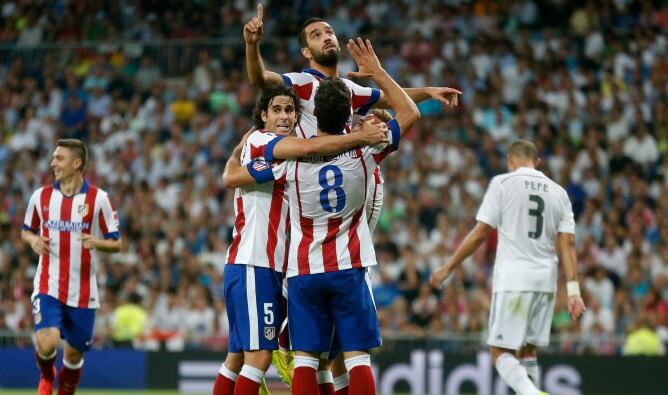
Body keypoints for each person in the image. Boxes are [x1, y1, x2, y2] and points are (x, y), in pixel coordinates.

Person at [244, 7, 460, 392]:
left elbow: (386, 96)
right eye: (316, 35)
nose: (327, 37)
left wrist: (427, 91)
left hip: (313, 195)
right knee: (350, 346)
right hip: (345, 183)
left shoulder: (344, 91)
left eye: (329, 32)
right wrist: (252, 45)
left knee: (319, 353)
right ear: (306, 52)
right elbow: (262, 78)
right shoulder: (303, 84)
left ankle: (302, 333)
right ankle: (298, 331)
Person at [213, 84, 388, 395]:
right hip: (256, 261)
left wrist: (235, 156)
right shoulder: (268, 142)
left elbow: (233, 174)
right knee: (258, 357)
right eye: (277, 110)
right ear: (263, 115)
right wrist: (360, 135)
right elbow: (233, 178)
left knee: (243, 356)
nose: (284, 116)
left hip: (277, 266)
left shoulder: (281, 151)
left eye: (290, 110)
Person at [429, 140, 586, 395]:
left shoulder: (502, 183)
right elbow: (568, 243)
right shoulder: (559, 192)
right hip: (545, 282)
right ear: (538, 162)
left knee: (499, 351)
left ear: (510, 159)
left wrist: (449, 266)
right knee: (528, 349)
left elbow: (481, 233)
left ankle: (532, 393)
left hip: (514, 279)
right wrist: (574, 290)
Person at [21, 139, 122, 395]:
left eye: (59, 158)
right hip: (48, 283)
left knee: (74, 355)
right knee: (47, 342)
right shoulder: (40, 196)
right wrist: (33, 240)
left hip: (83, 291)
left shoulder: (99, 199)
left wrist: (96, 242)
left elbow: (117, 243)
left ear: (76, 163)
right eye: (54, 158)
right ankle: (46, 376)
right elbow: (26, 231)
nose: (53, 163)